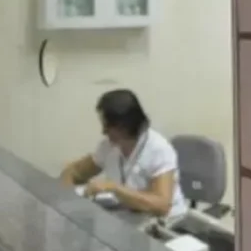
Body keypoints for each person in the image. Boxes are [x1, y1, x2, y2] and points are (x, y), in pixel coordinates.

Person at [59, 89, 187, 218]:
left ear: (124, 126)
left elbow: (162, 206)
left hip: (166, 222)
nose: (103, 131)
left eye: (107, 126)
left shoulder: (159, 150)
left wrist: (114, 188)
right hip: (129, 218)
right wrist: (67, 202)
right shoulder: (108, 146)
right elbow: (73, 172)